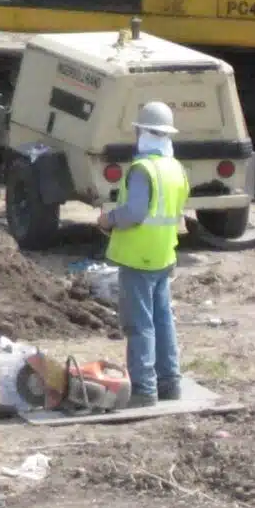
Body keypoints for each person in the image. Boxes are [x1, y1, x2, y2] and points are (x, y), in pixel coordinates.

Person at [96, 101, 189, 407]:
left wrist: (108, 219)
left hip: (138, 257)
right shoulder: (175, 168)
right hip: (164, 254)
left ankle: (145, 390)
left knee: (140, 324)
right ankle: (169, 383)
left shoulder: (142, 169)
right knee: (163, 320)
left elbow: (135, 212)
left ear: (143, 133)